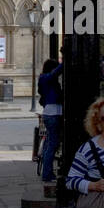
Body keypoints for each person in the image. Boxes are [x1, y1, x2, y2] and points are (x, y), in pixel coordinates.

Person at [38, 56, 64, 185]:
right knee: (52, 145)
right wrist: (64, 63)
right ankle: (47, 174)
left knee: (50, 144)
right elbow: (55, 73)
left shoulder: (46, 79)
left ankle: (47, 172)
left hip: (52, 113)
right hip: (52, 113)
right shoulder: (45, 78)